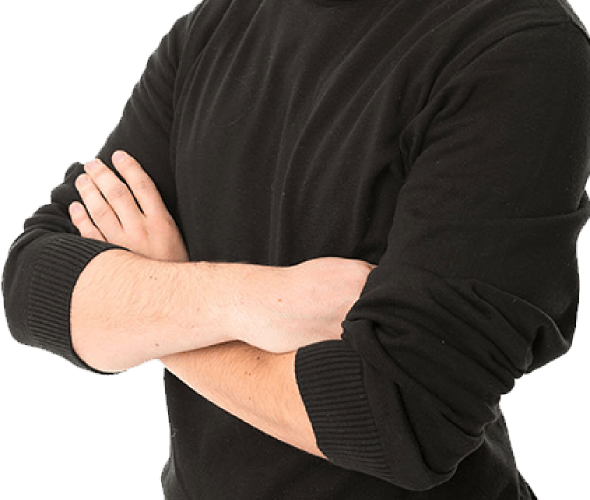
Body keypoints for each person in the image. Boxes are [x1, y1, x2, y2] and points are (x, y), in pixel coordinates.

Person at [4, 0, 589, 498]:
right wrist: (262, 299)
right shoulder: (215, 23)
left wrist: (156, 308)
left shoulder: (521, 44)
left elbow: (400, 420)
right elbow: (34, 284)